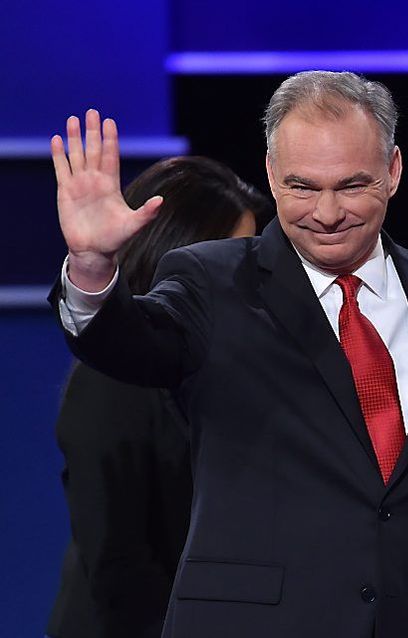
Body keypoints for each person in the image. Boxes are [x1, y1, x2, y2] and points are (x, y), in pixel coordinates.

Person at [48, 71, 408, 638]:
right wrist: (93, 268)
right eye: (303, 187)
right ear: (270, 173)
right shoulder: (213, 283)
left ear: (393, 171)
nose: (328, 212)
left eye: (352, 185)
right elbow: (128, 347)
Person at [46, 156, 271, 638]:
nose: (244, 282)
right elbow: (119, 566)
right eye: (225, 259)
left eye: (247, 260)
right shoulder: (111, 382)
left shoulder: (241, 370)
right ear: (173, 253)